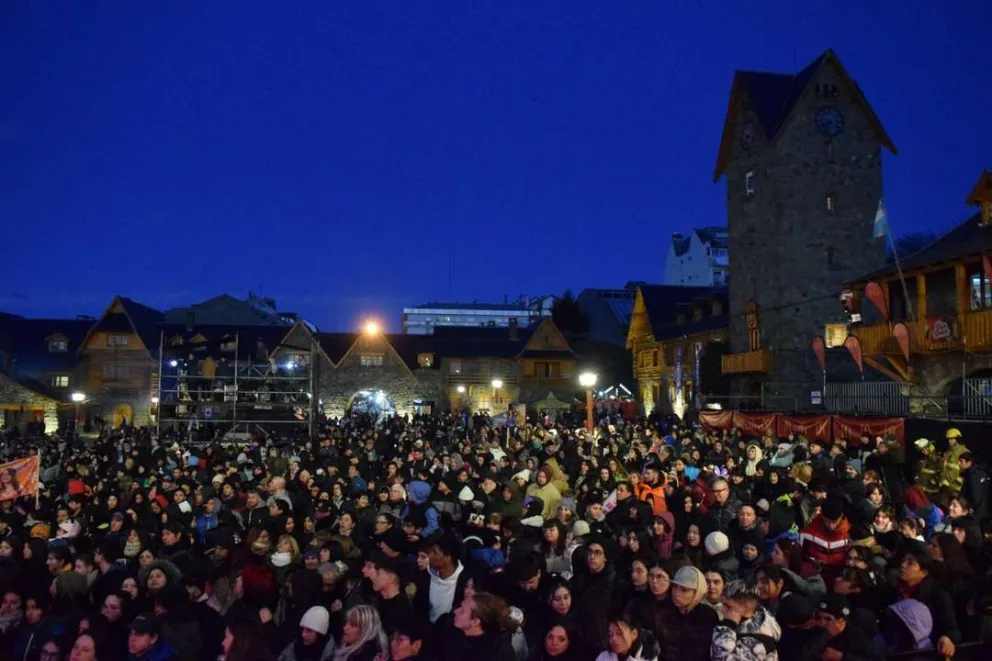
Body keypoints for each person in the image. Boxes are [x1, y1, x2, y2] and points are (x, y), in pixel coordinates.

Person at [652, 565, 718, 661]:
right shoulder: (661, 610)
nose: (676, 593)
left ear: (697, 592)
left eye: (684, 590)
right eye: (675, 587)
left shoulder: (707, 616)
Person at [711, 580, 781, 661]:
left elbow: (720, 658)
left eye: (727, 606)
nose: (722, 609)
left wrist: (728, 625)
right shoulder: (746, 623)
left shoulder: (758, 641)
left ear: (744, 606)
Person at [435, 592, 517, 661]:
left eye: (462, 611)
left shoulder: (498, 653)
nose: (456, 611)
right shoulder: (446, 625)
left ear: (475, 621)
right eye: (460, 606)